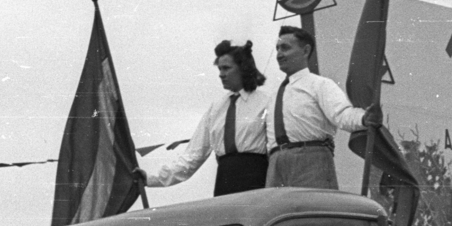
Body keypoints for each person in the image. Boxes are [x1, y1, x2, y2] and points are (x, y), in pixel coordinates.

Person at [142, 40, 272, 196]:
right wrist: (151, 179)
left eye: (226, 68)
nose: (221, 74)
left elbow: (275, 150)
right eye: (219, 69)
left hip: (258, 181)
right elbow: (193, 155)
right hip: (224, 181)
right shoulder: (216, 108)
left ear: (243, 68)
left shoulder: (267, 102)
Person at [267, 26, 382, 190]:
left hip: (311, 160)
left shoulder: (320, 84)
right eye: (277, 48)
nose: (279, 54)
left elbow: (342, 114)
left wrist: (364, 118)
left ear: (305, 51)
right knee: (279, 214)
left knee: (313, 213)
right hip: (275, 164)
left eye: (285, 48)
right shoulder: (274, 95)